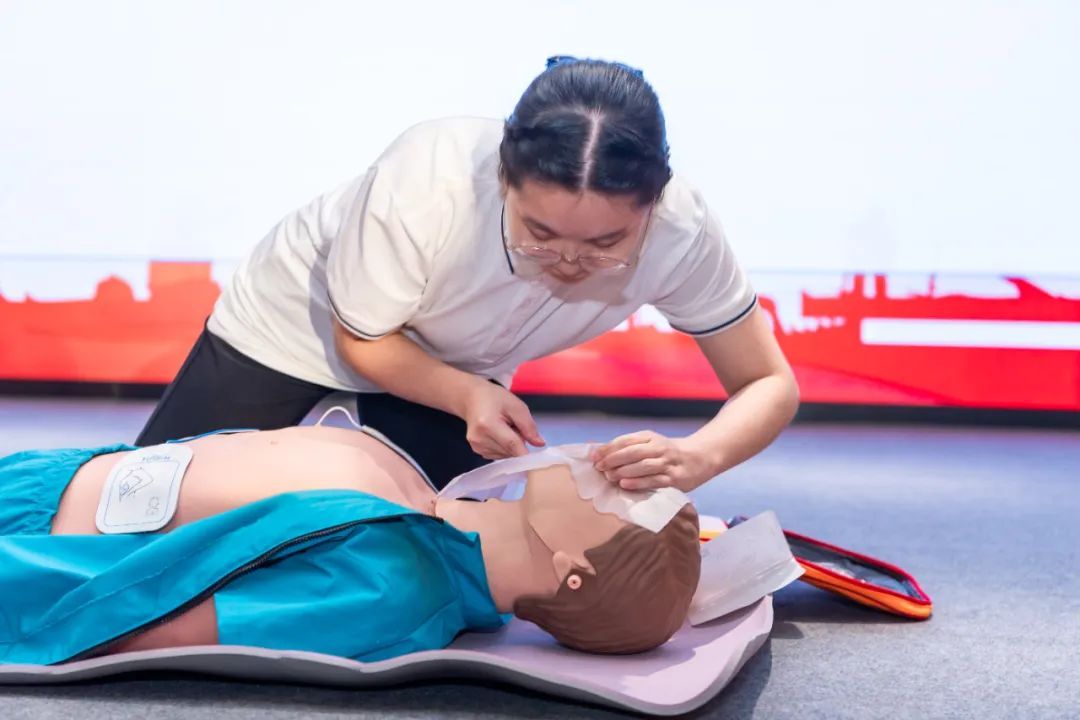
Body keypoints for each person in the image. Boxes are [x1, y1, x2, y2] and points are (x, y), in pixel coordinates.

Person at [135, 56, 799, 491]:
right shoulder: (428, 178)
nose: (570, 261)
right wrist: (467, 396)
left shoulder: (682, 231)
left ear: (652, 204)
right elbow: (363, 338)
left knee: (438, 558)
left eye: (606, 242)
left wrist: (700, 455)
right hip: (299, 324)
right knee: (145, 508)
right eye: (540, 233)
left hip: (457, 368)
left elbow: (768, 383)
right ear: (504, 177)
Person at [0, 424, 701, 665]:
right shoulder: (423, 503)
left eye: (626, 499)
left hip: (27, 546)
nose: (619, 468)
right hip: (44, 476)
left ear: (572, 570)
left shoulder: (391, 590)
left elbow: (144, 619)